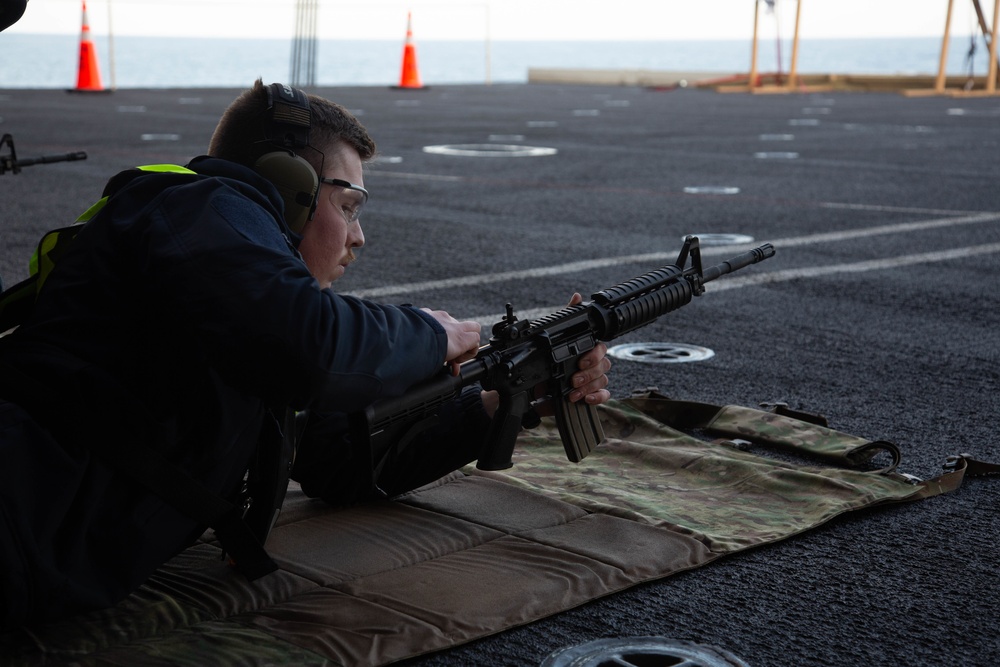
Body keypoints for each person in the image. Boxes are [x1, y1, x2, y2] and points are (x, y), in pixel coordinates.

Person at [0, 80, 611, 628]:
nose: (358, 235)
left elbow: (345, 461)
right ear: (290, 188)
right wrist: (430, 332)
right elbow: (312, 347)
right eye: (347, 206)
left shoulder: (243, 303)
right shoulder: (201, 207)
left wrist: (504, 398)